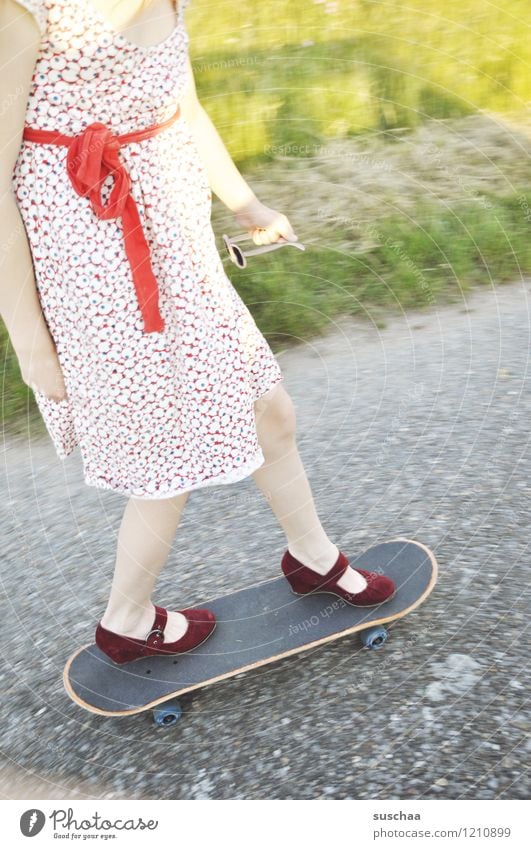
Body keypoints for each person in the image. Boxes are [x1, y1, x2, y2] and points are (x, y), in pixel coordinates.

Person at [0, 0, 395, 665]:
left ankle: (312, 556)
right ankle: (126, 618)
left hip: (175, 244)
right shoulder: (27, 9)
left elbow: (180, 102)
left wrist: (245, 203)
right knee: (166, 452)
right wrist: (28, 336)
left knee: (266, 404)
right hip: (98, 265)